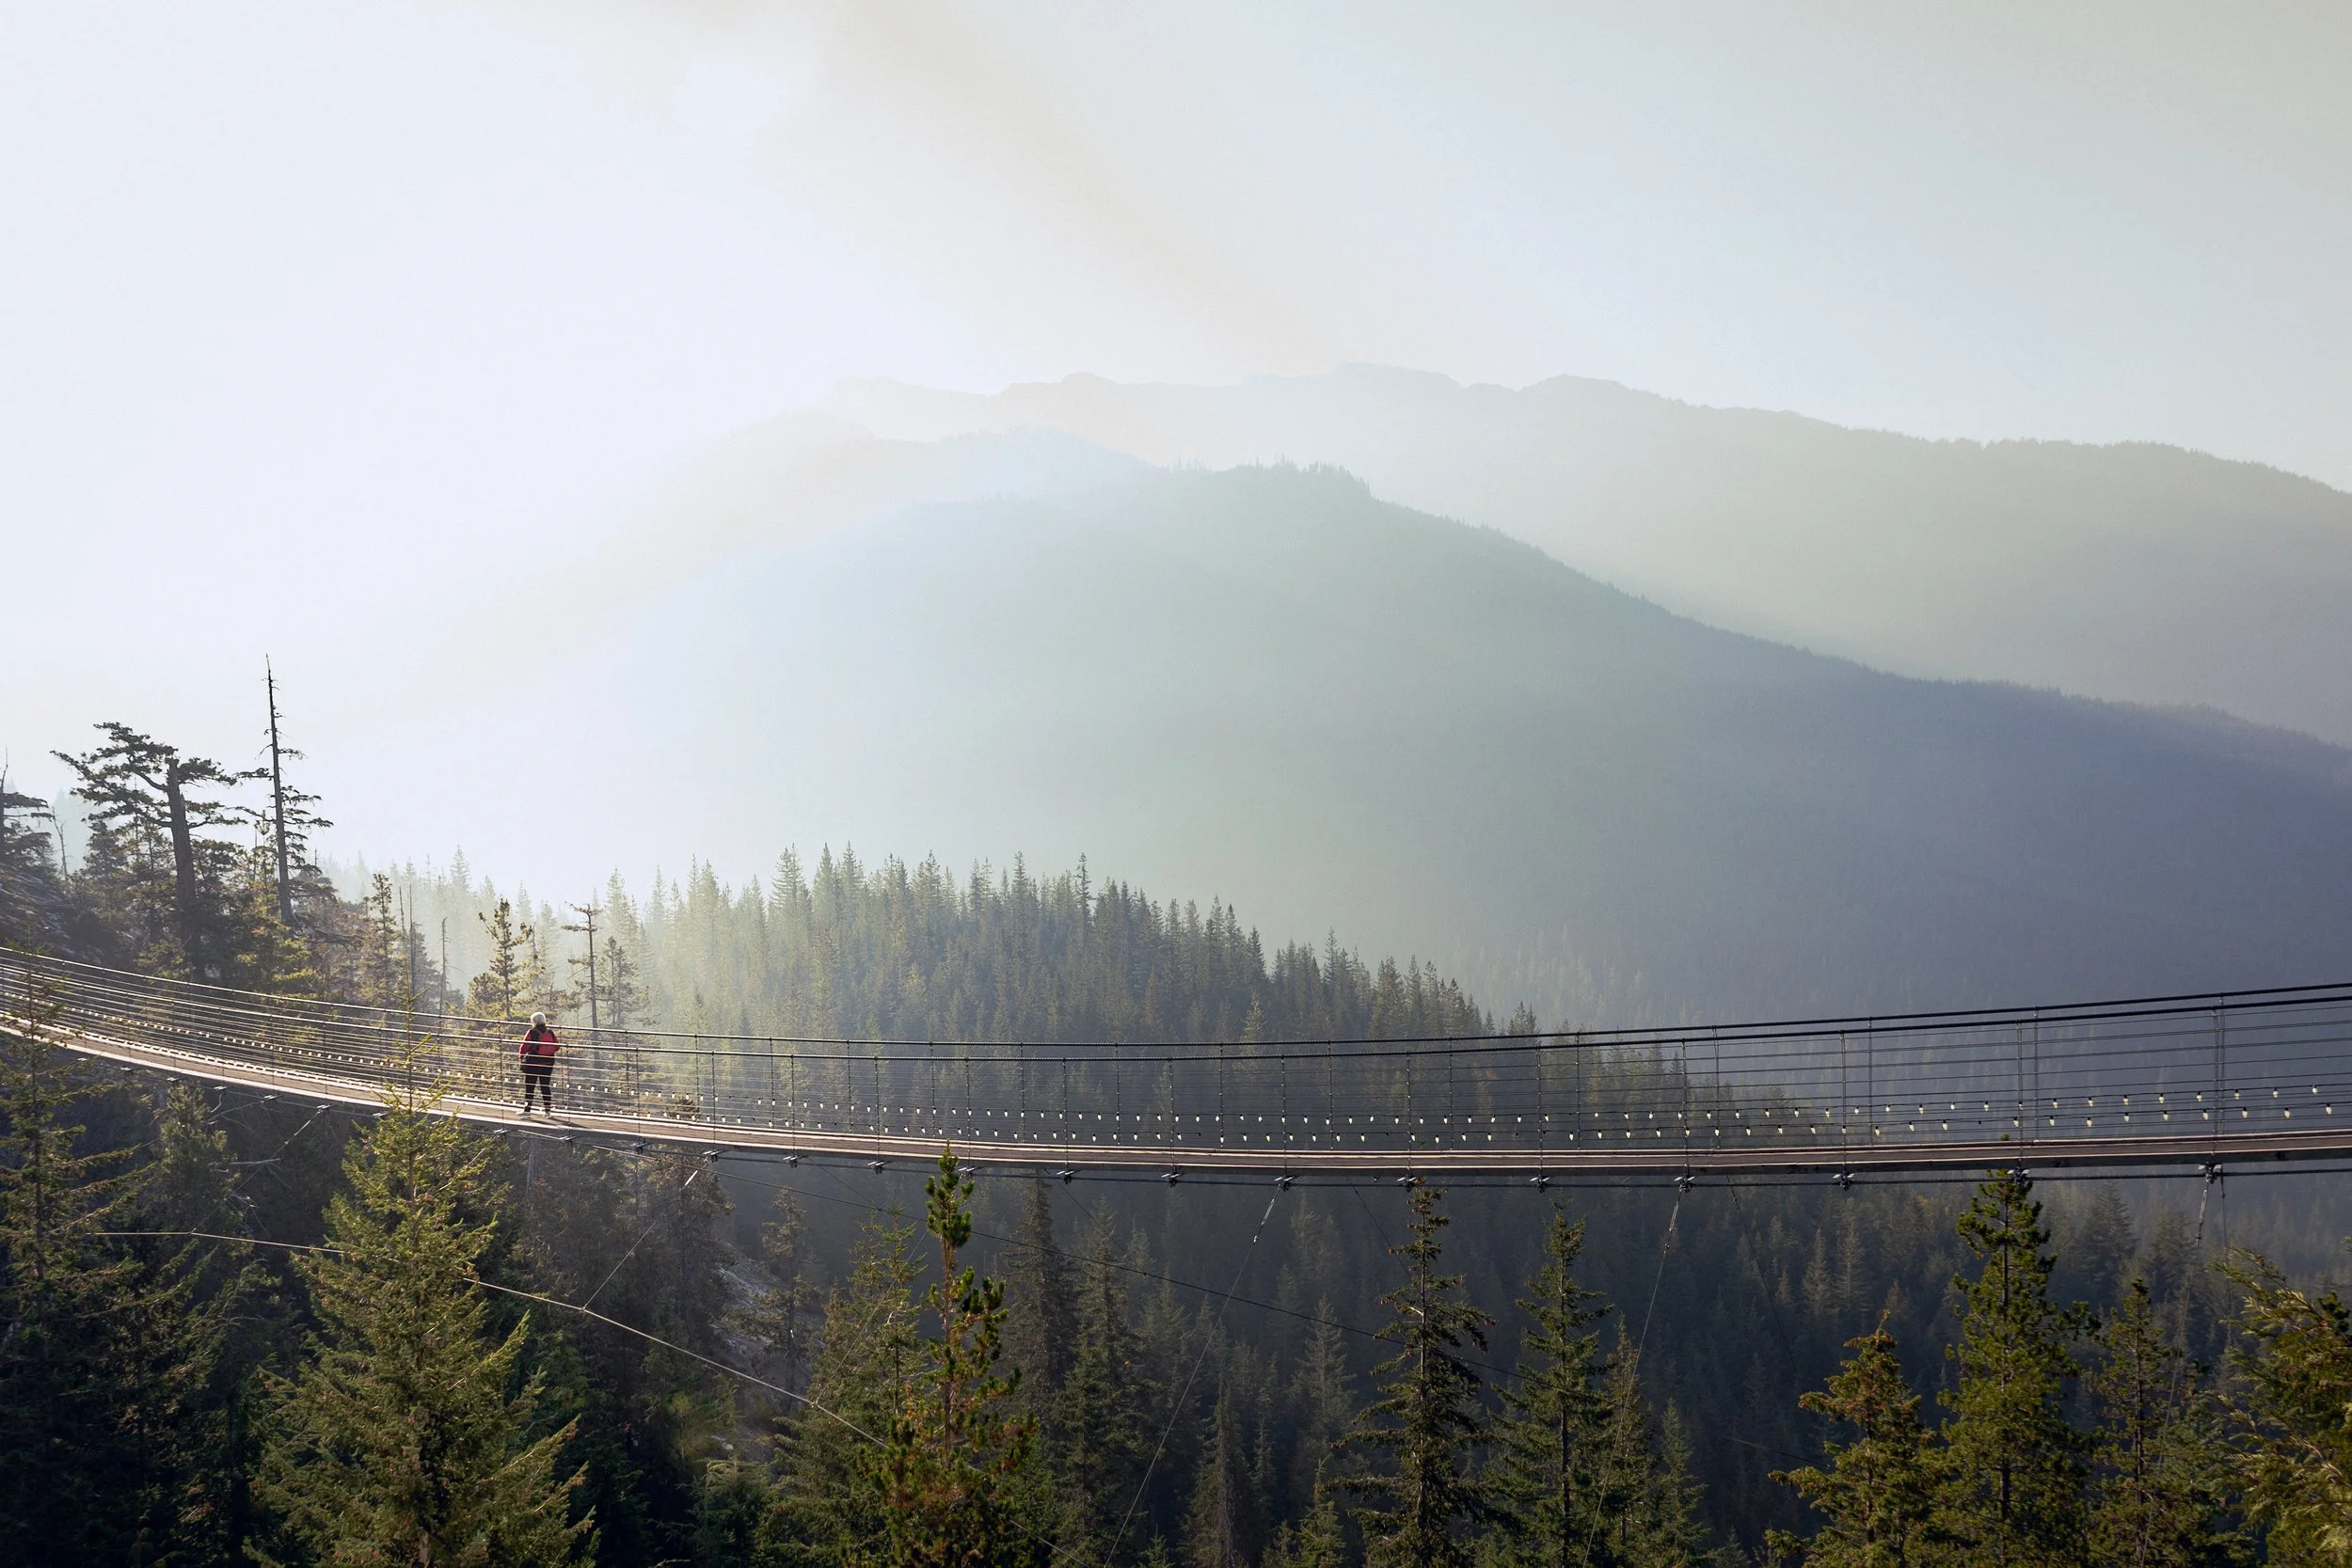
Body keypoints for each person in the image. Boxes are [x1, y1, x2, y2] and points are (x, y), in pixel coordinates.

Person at [518, 1011, 560, 1115]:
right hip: (548, 1063)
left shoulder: (532, 1032)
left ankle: (527, 1111)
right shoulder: (550, 1032)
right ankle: (548, 1111)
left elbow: (524, 1047)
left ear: (535, 1021)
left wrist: (521, 1058)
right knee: (545, 1086)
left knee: (530, 1087)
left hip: (533, 1063)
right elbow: (557, 1046)